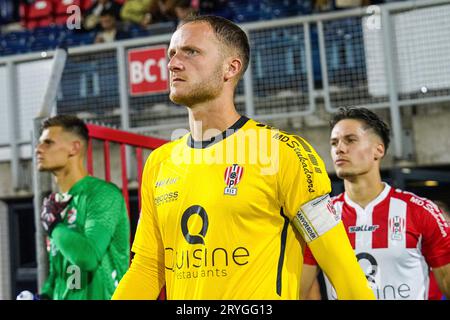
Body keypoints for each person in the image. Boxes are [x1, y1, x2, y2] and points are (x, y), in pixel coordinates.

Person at [112, 15, 374, 300]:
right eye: (172, 54)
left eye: (191, 52)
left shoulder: (282, 152)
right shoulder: (159, 163)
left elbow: (344, 271)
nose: (173, 63)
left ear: (230, 67)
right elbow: (148, 268)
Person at [301, 107, 450, 300]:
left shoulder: (421, 211)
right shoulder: (322, 218)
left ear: (378, 150)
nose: (340, 149)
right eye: (334, 142)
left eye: (350, 140)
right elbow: (298, 291)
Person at [35, 115, 130, 299]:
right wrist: (44, 295)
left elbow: (88, 258)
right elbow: (60, 272)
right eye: (40, 143)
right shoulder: (55, 205)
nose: (38, 149)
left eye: (48, 143)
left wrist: (54, 227)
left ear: (74, 148)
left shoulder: (102, 194)